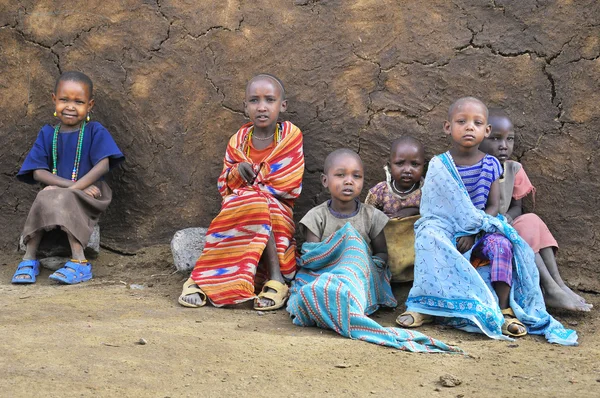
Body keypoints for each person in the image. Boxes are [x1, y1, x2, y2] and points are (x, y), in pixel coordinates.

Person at [399, 97, 577, 345]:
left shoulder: (491, 164)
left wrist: (473, 231)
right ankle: (424, 307)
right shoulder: (439, 165)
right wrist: (453, 230)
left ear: (486, 130)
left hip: (480, 228)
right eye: (462, 121)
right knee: (427, 235)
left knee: (502, 245)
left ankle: (504, 311)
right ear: (447, 127)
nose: (469, 127)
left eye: (477, 122)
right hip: (445, 229)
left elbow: (493, 206)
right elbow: (433, 209)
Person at [286, 149, 463, 353]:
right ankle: (331, 297)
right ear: (325, 181)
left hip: (356, 277)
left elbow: (381, 255)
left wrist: (364, 265)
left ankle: (342, 300)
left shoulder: (372, 216)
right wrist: (340, 254)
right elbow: (312, 258)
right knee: (319, 284)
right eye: (340, 175)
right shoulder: (315, 217)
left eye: (356, 176)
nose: (349, 181)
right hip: (326, 275)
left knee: (355, 249)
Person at [178, 74, 304, 311]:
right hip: (240, 210)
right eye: (254, 101)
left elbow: (288, 181)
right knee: (247, 202)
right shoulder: (238, 140)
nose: (262, 107)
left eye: (270, 100)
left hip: (277, 211)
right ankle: (205, 278)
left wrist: (251, 181)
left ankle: (276, 278)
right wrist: (237, 171)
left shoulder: (290, 136)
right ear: (245, 106)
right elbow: (225, 187)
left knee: (256, 201)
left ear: (283, 105)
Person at [13, 71, 124, 285]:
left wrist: (78, 188)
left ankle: (80, 262)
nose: (70, 106)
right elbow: (38, 173)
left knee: (57, 195)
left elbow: (104, 164)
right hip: (61, 192)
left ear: (90, 105)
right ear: (54, 100)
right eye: (64, 100)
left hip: (90, 193)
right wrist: (72, 186)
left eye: (79, 102)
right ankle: (29, 258)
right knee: (45, 195)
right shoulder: (48, 134)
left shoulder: (93, 131)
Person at [480, 108, 592, 311]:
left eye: (510, 139)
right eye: (496, 139)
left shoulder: (513, 168)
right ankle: (549, 288)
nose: (504, 146)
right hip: (485, 230)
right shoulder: (476, 168)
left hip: (506, 223)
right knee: (519, 233)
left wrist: (507, 217)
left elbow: (517, 207)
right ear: (481, 138)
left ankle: (558, 284)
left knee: (531, 220)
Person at [365, 136, 425, 281]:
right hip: (386, 247)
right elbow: (366, 215)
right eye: (400, 164)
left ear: (424, 166)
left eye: (415, 164)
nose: (407, 170)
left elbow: (436, 215)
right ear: (389, 166)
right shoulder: (381, 190)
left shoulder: (427, 192)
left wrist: (414, 211)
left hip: (414, 248)